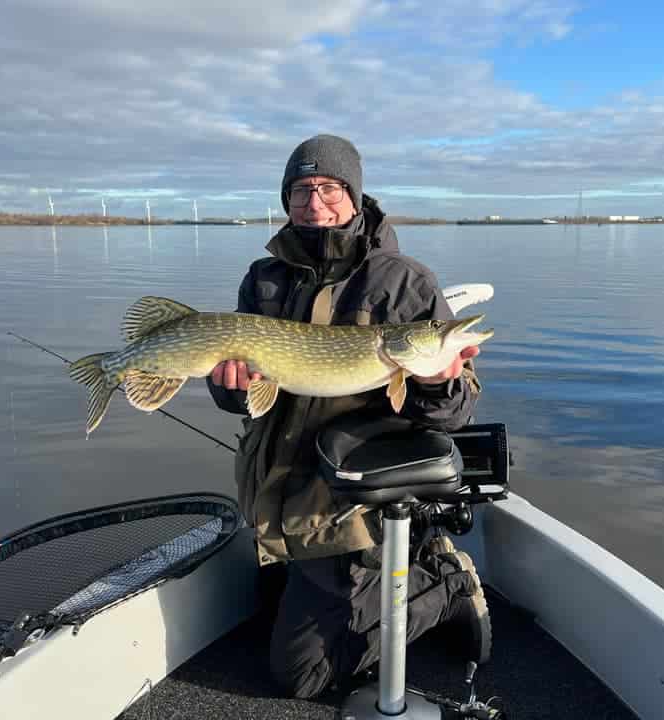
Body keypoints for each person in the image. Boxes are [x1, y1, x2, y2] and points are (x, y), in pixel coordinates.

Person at [207, 134, 489, 699]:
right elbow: (244, 395)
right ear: (286, 200)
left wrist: (438, 379)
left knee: (301, 675)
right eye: (300, 190)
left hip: (350, 506)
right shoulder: (264, 278)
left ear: (355, 196)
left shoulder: (405, 281)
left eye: (329, 187)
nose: (315, 202)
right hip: (279, 495)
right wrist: (232, 388)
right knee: (263, 614)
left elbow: (454, 413)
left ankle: (446, 585)